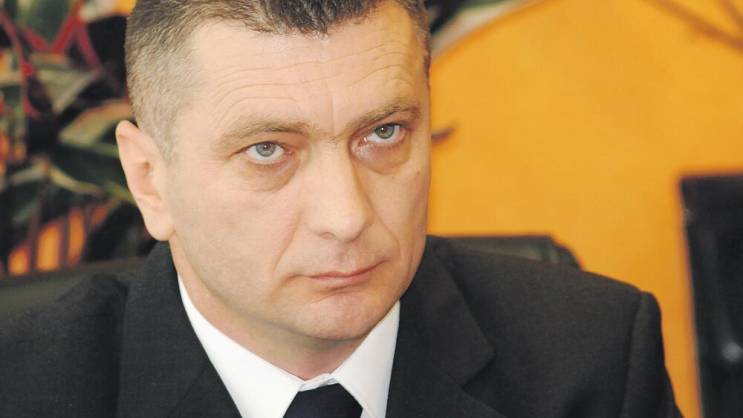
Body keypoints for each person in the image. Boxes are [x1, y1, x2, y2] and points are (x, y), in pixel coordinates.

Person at [0, 1, 681, 417]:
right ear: (149, 180)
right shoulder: (25, 389)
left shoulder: (593, 360)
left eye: (383, 133)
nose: (346, 216)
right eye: (268, 150)